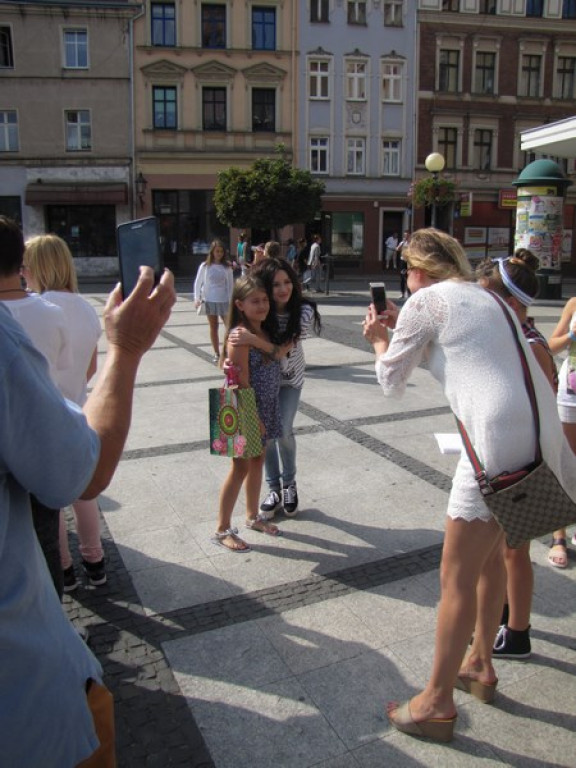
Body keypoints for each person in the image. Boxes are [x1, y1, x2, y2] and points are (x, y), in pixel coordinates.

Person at [362, 228, 576, 743]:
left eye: (406, 271)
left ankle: (435, 702)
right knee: (493, 557)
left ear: (416, 269)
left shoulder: (425, 300)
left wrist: (378, 337)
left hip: (491, 446)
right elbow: (466, 352)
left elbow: (390, 381)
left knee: (455, 576)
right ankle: (480, 661)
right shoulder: (484, 297)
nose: (406, 282)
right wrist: (407, 328)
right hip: (529, 441)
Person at [0, 215, 176, 766]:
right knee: (77, 511)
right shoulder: (55, 314)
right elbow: (83, 472)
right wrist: (127, 348)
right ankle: (89, 567)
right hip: (25, 701)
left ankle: (79, 571)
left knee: (56, 531)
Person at [475, 249, 557, 659]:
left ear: (508, 304)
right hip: (507, 456)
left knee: (514, 549)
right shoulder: (513, 338)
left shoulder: (530, 344)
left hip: (524, 462)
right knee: (500, 549)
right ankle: (503, 613)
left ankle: (518, 631)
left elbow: (545, 409)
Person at [24, 233, 106, 592]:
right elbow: (89, 369)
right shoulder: (85, 307)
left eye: (25, 265)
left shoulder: (37, 308)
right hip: (79, 410)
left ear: (37, 267)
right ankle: (96, 560)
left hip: (44, 417)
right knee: (83, 494)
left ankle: (65, 569)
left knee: (50, 502)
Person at [0, 223, 72, 599]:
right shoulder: (49, 312)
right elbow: (63, 373)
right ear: (20, 263)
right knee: (46, 537)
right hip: (43, 442)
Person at [229, 258, 322, 518]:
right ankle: (274, 489)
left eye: (287, 282)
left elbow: (281, 352)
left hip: (290, 378)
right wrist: (234, 356)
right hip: (264, 381)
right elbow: (241, 341)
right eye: (276, 284)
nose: (283, 289)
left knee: (284, 430)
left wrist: (251, 340)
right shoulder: (262, 308)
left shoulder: (303, 312)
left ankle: (289, 483)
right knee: (266, 435)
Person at [212, 275, 283, 552]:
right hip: (244, 407)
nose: (262, 305)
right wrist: (256, 420)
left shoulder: (262, 332)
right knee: (240, 467)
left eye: (265, 300)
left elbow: (278, 354)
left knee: (258, 461)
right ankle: (221, 530)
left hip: (263, 405)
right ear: (240, 304)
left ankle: (252, 516)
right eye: (255, 301)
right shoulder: (239, 336)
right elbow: (240, 383)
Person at [547, 295, 576, 568]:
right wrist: (571, 334)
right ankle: (559, 536)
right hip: (572, 395)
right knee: (564, 462)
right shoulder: (573, 304)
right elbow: (551, 347)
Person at [194, 239, 234, 363]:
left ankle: (226, 351)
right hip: (210, 300)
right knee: (213, 327)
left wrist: (231, 300)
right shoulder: (205, 266)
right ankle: (217, 353)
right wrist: (197, 298)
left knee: (229, 327)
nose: (219, 253)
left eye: (221, 251)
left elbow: (230, 285)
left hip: (224, 301)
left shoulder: (226, 267)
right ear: (212, 252)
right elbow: (198, 282)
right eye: (217, 251)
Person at [396, 231, 411, 298]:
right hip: (403, 261)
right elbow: (397, 249)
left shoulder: (412, 243)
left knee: (409, 277)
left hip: (410, 261)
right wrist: (401, 244)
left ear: (410, 236)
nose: (406, 237)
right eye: (405, 236)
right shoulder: (402, 243)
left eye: (407, 235)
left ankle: (409, 293)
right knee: (402, 277)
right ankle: (402, 293)